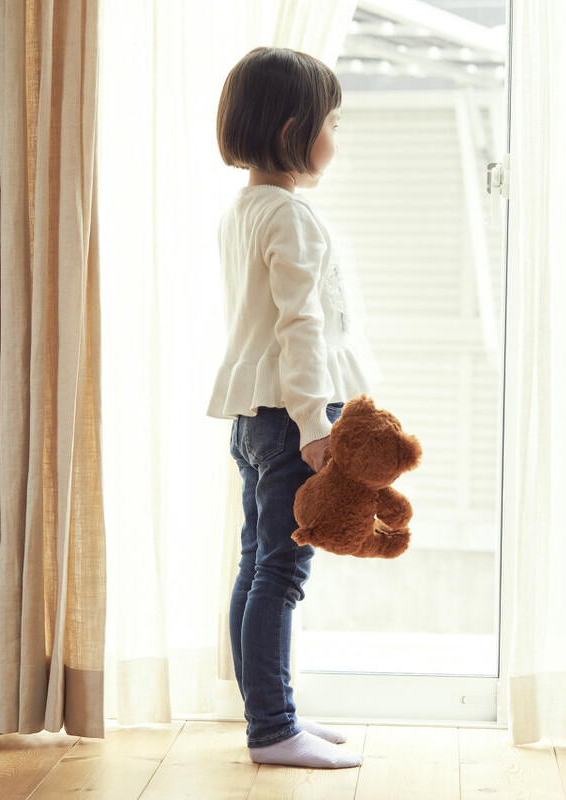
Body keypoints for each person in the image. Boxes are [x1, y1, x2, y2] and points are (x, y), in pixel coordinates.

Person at [207, 46, 374, 770]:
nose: (337, 136)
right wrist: (316, 425)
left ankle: (268, 713)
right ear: (291, 130)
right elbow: (298, 327)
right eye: (332, 120)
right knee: (282, 572)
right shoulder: (293, 219)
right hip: (287, 418)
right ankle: (273, 730)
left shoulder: (245, 211)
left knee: (257, 565)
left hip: (253, 417)